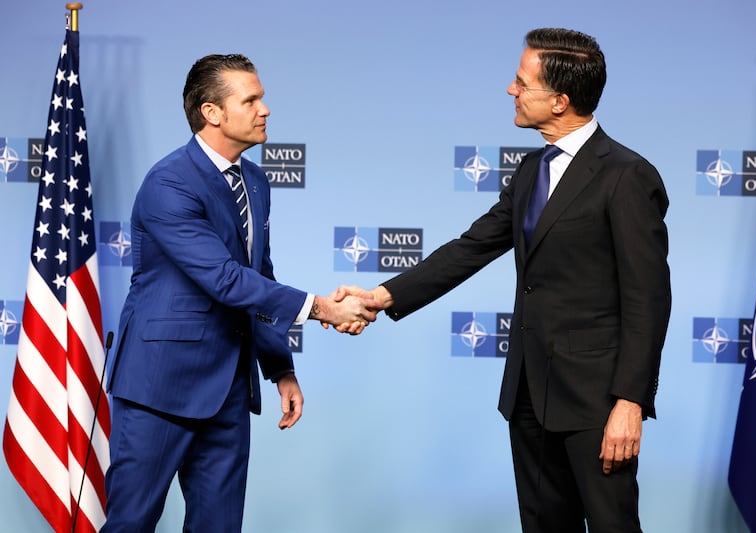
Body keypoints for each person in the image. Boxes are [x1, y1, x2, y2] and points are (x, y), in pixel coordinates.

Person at [337, 28, 671, 533]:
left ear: (559, 101)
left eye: (521, 83)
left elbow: (648, 300)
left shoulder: (626, 175)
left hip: (597, 404)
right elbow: (472, 247)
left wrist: (630, 402)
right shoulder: (532, 167)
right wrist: (381, 297)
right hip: (528, 395)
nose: (510, 91)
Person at [102, 54, 378, 532]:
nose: (265, 109)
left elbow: (260, 278)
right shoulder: (168, 182)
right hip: (158, 386)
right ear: (212, 112)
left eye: (262, 98)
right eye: (251, 100)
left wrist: (279, 368)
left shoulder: (255, 179)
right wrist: (323, 309)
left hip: (229, 387)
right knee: (131, 523)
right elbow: (225, 278)